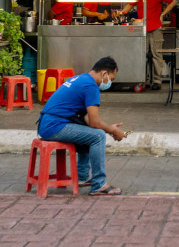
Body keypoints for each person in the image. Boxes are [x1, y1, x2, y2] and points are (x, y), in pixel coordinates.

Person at [38, 56, 126, 195]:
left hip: (48, 123)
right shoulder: (91, 86)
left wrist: (111, 128)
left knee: (90, 132)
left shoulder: (81, 79)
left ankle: (82, 177)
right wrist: (112, 131)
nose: (109, 83)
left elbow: (88, 120)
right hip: (54, 125)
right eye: (111, 79)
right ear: (104, 73)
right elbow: (95, 122)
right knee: (98, 136)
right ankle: (99, 184)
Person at [118, 0, 176, 91]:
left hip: (155, 28)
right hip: (141, 28)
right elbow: (131, 4)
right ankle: (141, 79)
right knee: (141, 54)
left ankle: (156, 81)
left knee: (156, 55)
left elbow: (173, 1)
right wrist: (122, 12)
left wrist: (162, 14)